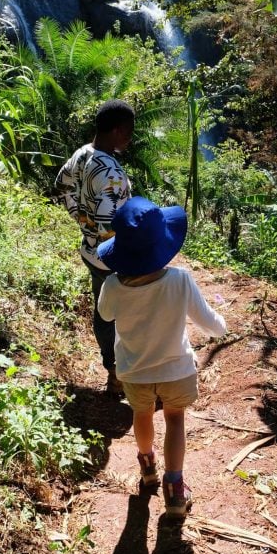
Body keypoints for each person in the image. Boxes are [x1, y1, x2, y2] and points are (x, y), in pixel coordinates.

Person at [97, 196, 227, 518]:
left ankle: (147, 468)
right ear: (163, 244)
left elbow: (105, 314)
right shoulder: (180, 280)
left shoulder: (113, 285)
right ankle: (174, 489)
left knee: (141, 416)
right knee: (174, 420)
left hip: (134, 371)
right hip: (176, 371)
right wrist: (222, 325)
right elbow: (211, 324)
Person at [54, 99, 135, 395]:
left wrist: (80, 217)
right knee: (130, 316)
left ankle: (113, 373)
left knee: (104, 312)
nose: (129, 138)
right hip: (113, 258)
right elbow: (108, 227)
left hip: (91, 253)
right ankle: (131, 377)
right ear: (115, 131)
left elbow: (62, 185)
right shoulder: (110, 171)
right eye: (128, 132)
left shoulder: (83, 154)